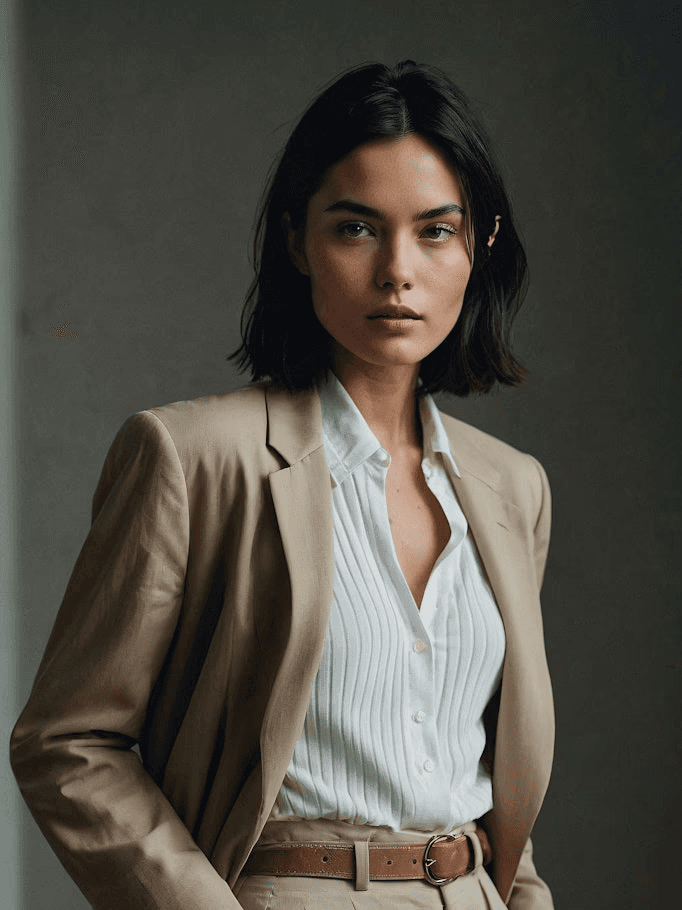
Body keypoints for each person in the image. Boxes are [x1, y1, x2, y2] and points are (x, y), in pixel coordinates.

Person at [11, 60, 555, 909]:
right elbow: (69, 741)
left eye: (436, 231)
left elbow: (487, 762)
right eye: (356, 228)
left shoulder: (511, 488)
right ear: (298, 239)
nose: (398, 271)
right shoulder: (192, 458)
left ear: (481, 244)